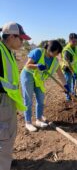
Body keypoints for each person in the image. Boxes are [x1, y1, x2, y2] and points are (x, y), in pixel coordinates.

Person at [0, 22, 31, 170]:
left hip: (8, 101)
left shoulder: (8, 51)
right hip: (2, 102)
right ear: (12, 36)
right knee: (3, 138)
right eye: (21, 39)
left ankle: (6, 161)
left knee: (7, 136)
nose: (22, 42)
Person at [21, 40, 69, 132]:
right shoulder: (38, 52)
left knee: (40, 98)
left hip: (39, 79)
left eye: (58, 52)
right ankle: (28, 122)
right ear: (50, 49)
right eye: (56, 52)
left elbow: (60, 74)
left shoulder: (54, 61)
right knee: (28, 99)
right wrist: (37, 66)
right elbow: (27, 66)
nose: (57, 54)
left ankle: (38, 120)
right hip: (28, 75)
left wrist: (65, 85)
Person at [61, 33, 77, 101]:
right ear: (69, 40)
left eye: (76, 41)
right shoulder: (67, 50)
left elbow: (76, 57)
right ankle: (68, 97)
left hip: (74, 69)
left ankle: (73, 94)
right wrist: (73, 73)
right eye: (73, 41)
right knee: (68, 83)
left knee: (74, 83)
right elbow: (68, 63)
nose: (75, 43)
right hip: (67, 69)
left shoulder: (76, 47)